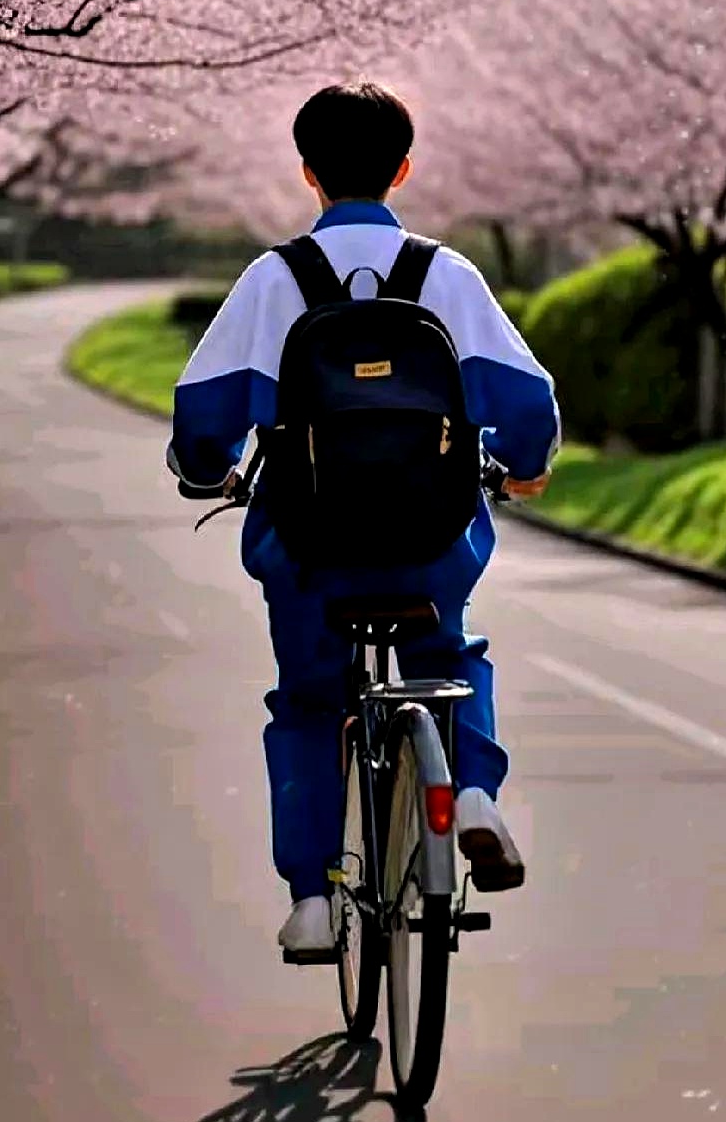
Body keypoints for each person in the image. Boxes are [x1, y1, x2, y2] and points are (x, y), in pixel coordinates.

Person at [166, 82, 560, 953]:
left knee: (310, 701)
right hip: (429, 541)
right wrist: (523, 467)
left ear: (307, 171)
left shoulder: (273, 281)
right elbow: (530, 402)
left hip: (310, 545)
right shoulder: (446, 275)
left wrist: (206, 469)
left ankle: (312, 899)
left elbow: (201, 416)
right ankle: (476, 795)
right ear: (403, 169)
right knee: (449, 659)